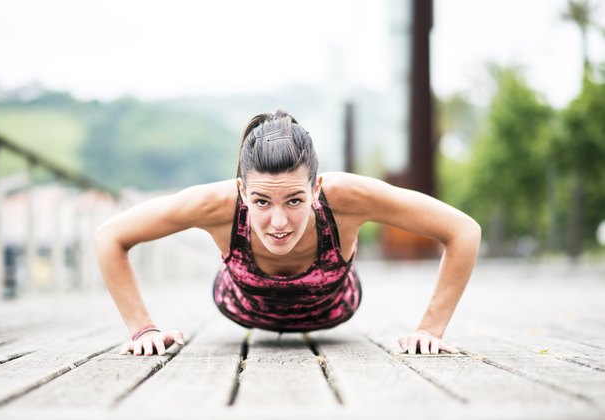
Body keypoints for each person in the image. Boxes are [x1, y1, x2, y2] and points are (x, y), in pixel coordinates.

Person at [94, 110, 481, 357]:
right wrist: (143, 329)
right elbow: (111, 236)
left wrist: (430, 329)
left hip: (335, 310)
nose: (278, 223)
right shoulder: (216, 205)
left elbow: (463, 230)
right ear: (242, 190)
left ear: (316, 188)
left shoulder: (347, 197)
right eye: (261, 202)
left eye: (294, 201)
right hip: (240, 307)